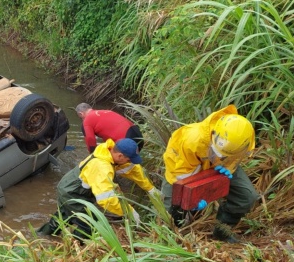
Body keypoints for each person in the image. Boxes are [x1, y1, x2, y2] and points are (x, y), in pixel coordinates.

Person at [160, 105, 259, 243]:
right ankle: (168, 243)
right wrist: (195, 196)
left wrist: (227, 168)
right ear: (213, 136)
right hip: (182, 167)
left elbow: (235, 158)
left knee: (246, 196)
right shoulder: (192, 140)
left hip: (218, 166)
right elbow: (181, 175)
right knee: (170, 212)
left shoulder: (241, 139)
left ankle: (222, 231)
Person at [39, 138, 160, 239]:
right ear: (120, 155)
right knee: (90, 222)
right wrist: (129, 211)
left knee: (65, 216)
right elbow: (106, 199)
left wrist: (150, 189)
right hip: (71, 192)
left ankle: (43, 235)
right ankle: (78, 248)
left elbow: (133, 169)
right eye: (128, 159)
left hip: (74, 186)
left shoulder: (110, 153)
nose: (129, 162)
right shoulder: (102, 166)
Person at [75, 103, 144, 154]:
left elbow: (90, 140)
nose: (82, 120)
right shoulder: (105, 112)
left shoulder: (87, 120)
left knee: (118, 167)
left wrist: (93, 155)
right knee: (131, 162)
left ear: (81, 114)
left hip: (126, 139)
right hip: (138, 135)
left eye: (81, 118)